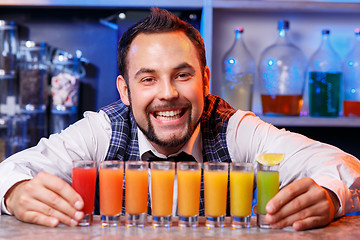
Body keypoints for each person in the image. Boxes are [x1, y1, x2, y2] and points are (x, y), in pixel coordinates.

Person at [0, 7, 360, 230]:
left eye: (182, 75)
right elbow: (11, 170)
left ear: (205, 80)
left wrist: (329, 193)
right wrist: (14, 192)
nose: (168, 93)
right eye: (148, 78)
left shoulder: (233, 129)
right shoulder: (103, 130)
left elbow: (342, 163)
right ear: (125, 92)